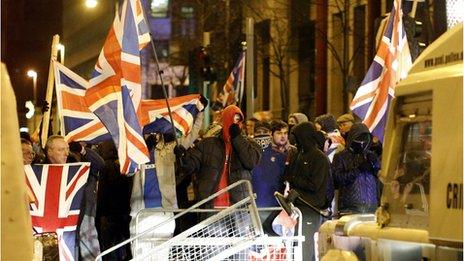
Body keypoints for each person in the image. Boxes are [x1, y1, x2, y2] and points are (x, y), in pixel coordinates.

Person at [174, 105, 261, 209]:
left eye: (238, 119)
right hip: (211, 207)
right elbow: (189, 166)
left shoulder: (251, 144)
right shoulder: (207, 144)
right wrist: (182, 155)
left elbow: (250, 162)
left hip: (238, 208)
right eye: (231, 119)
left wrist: (237, 138)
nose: (235, 123)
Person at [284, 122, 331, 261]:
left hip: (311, 208)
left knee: (307, 247)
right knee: (297, 244)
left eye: (298, 138)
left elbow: (315, 185)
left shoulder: (319, 158)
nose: (296, 142)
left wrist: (295, 181)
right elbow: (290, 175)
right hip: (299, 208)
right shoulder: (299, 155)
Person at [251, 120, 296, 232]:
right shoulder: (261, 153)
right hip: (263, 204)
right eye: (279, 133)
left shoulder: (292, 153)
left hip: (280, 207)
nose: (283, 137)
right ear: (271, 134)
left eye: (285, 133)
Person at [332, 123, 380, 214]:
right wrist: (358, 170)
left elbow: (380, 176)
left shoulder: (370, 155)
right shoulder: (341, 157)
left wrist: (375, 165)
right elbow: (337, 179)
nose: (361, 141)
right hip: (350, 207)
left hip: (372, 206)